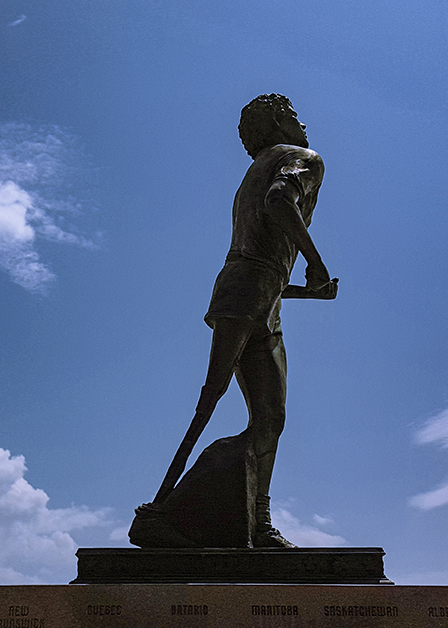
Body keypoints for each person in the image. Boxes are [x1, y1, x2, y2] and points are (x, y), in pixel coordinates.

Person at [151, 93, 337, 548]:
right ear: (276, 122)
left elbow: (265, 266)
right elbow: (280, 202)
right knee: (212, 400)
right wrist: (315, 262)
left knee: (268, 416)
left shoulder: (251, 174)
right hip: (250, 290)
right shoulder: (303, 159)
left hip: (254, 294)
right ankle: (160, 510)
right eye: (293, 115)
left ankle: (258, 522)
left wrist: (303, 289)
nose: (302, 123)